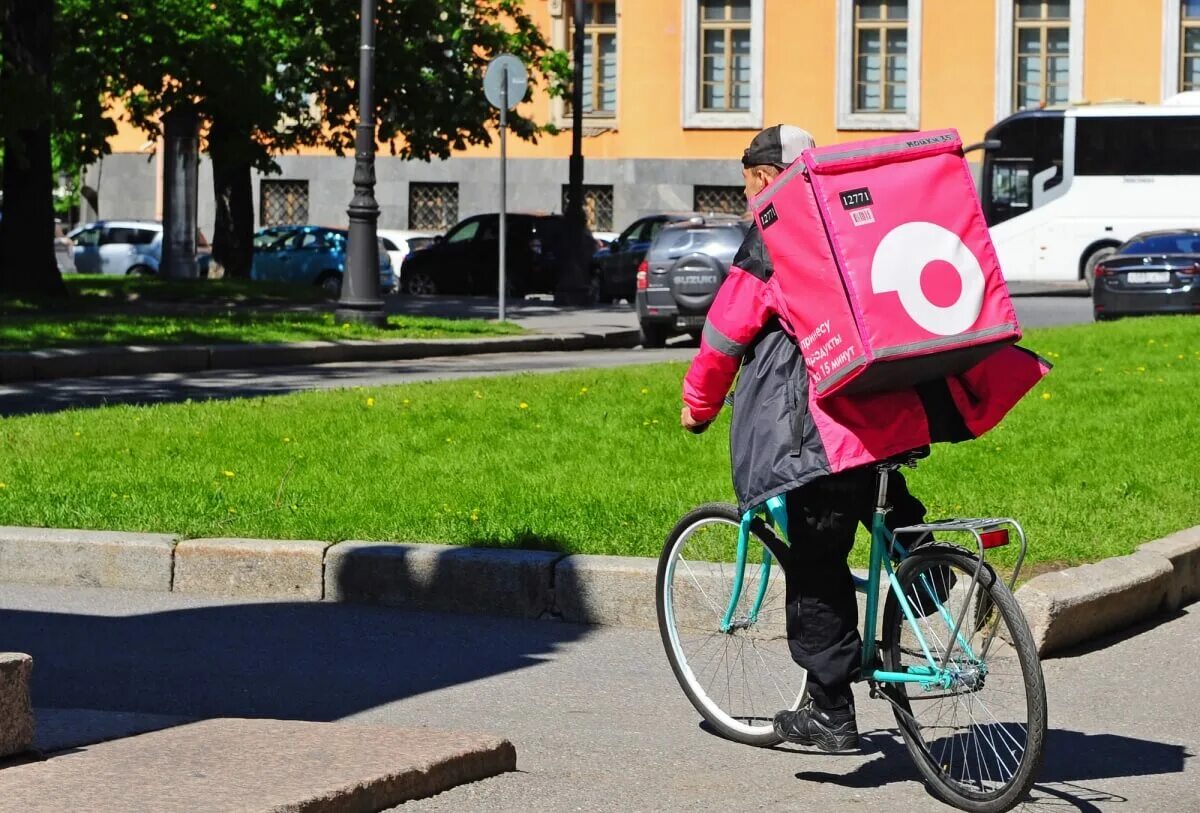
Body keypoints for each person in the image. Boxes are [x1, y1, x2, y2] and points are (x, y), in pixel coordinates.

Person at [679, 124, 934, 753]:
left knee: (817, 561)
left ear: (766, 179)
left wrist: (697, 407)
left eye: (748, 188)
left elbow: (724, 335)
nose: (748, 202)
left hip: (820, 432)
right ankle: (933, 570)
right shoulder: (860, 219)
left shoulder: (775, 235)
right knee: (880, 501)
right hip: (889, 408)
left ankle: (829, 712)